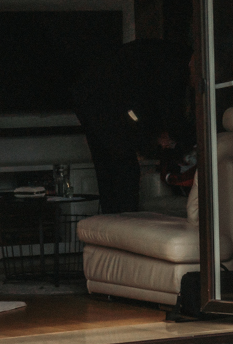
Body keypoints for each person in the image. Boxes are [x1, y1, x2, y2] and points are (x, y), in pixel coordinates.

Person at [69, 39, 194, 214]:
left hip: (91, 94)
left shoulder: (166, 56)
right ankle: (123, 218)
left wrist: (159, 135)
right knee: (124, 167)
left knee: (108, 167)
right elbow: (164, 108)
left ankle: (113, 218)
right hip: (102, 98)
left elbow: (151, 106)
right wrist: (168, 138)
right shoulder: (173, 64)